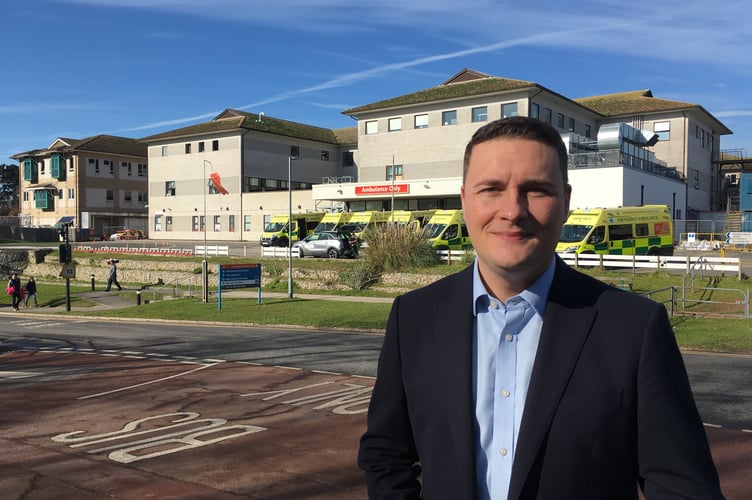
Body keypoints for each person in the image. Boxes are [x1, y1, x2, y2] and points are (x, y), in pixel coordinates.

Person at [358, 117, 724, 500]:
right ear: (465, 201)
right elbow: (385, 454)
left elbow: (682, 485)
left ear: (566, 202)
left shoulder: (634, 328)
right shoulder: (412, 318)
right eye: (491, 189)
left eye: (535, 190)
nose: (513, 210)